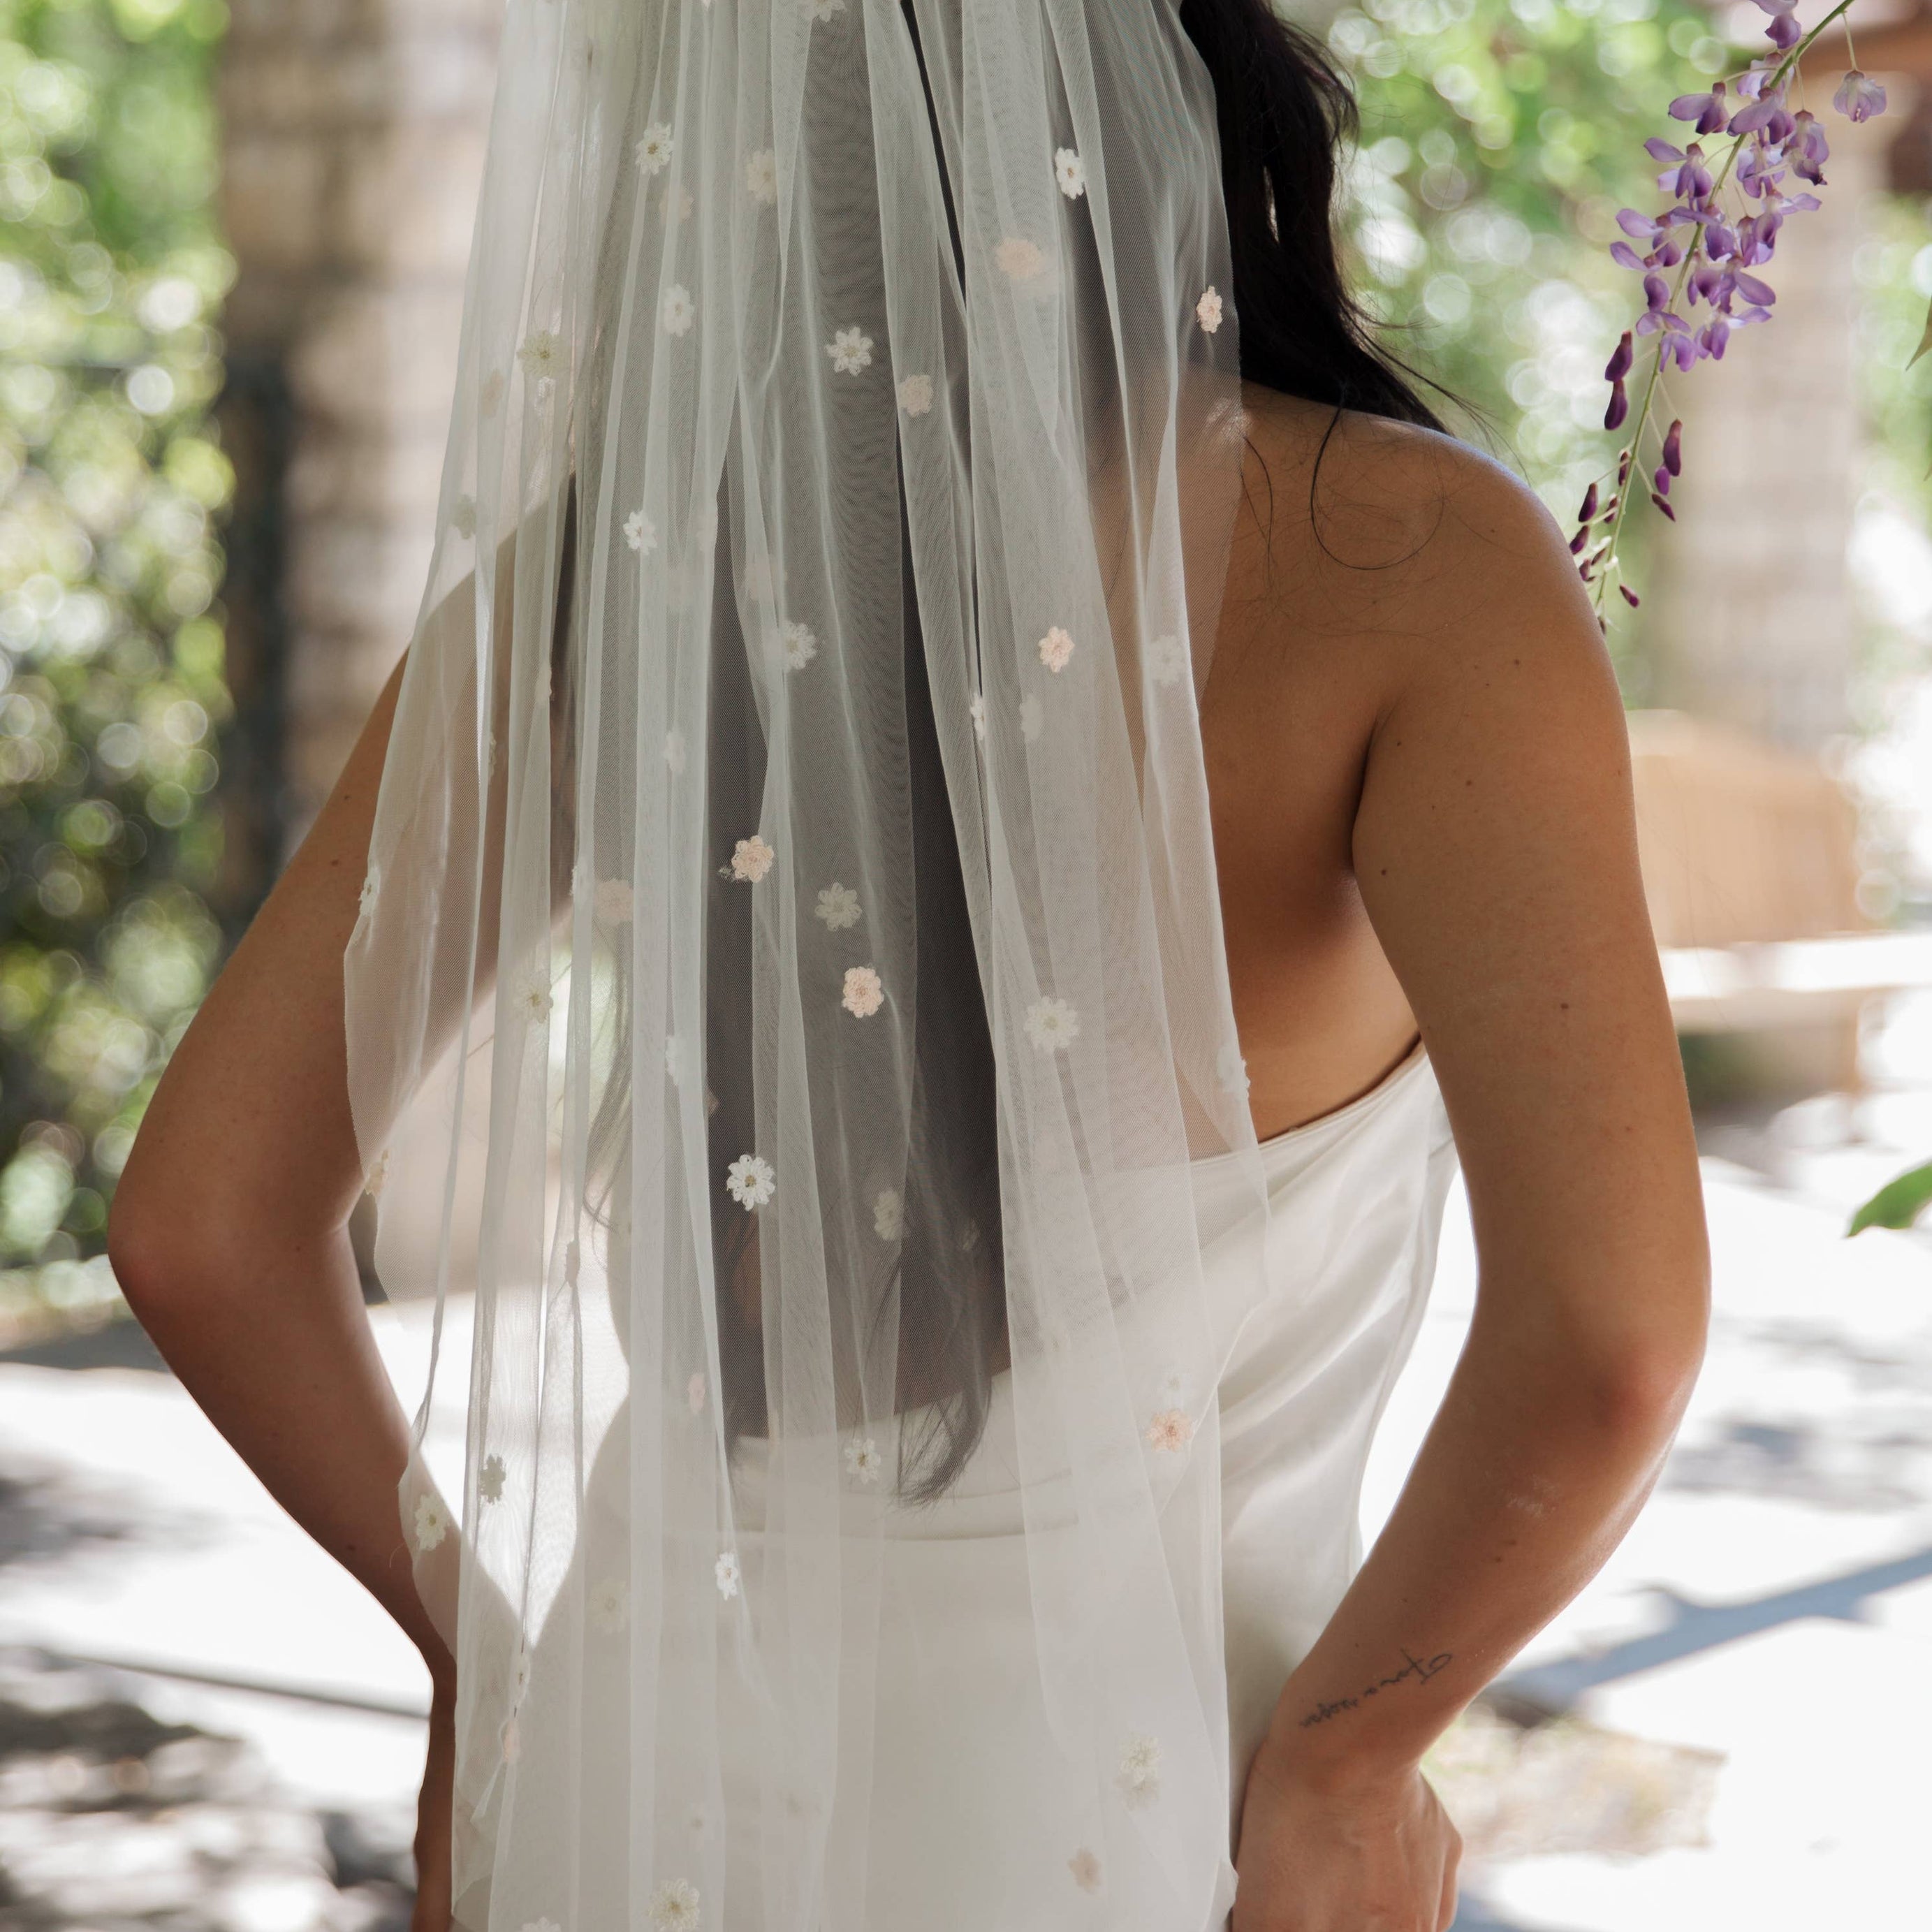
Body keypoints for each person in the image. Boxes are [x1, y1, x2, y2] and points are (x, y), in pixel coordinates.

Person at [108, 1, 1709, 1929]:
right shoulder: (1407, 571)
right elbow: (1608, 1347)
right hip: (1126, 1822)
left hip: (625, 1780)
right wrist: (1354, 1757)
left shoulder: (602, 579)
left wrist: (488, 1661)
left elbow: (201, 1225)